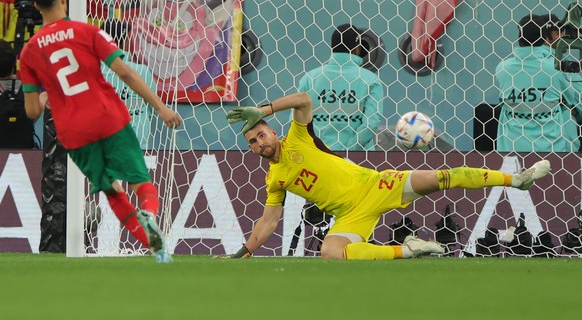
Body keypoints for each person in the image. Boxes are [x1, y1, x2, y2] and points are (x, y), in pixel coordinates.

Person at [225, 91, 551, 260]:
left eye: (262, 134)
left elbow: (304, 100)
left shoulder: (297, 136)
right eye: (252, 142)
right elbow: (268, 222)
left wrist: (263, 109)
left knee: (440, 177)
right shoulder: (275, 180)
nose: (259, 142)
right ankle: (408, 250)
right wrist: (244, 253)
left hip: (375, 184)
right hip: (350, 215)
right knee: (330, 252)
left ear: (272, 132)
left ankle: (516, 180)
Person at [19, 0, 181, 262]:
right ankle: (150, 215)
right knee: (138, 180)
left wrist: (46, 97)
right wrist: (161, 108)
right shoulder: (87, 32)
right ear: (63, 0)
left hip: (72, 131)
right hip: (107, 117)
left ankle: (158, 252)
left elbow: (32, 111)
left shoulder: (29, 52)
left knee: (111, 189)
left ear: (36, 7)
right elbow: (125, 73)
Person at [495, 13, 582, 152]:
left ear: (519, 37)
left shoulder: (502, 69)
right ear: (544, 38)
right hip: (554, 152)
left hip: (510, 150)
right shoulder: (557, 68)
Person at [297, 23, 383, 151]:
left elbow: (296, 123)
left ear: (332, 48)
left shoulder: (309, 79)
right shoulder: (371, 81)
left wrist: (317, 151)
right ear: (358, 49)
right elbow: (370, 124)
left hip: (317, 159)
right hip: (358, 162)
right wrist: (348, 151)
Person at [100, 19, 156, 150]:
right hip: (137, 139)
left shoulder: (92, 72)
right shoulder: (142, 71)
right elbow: (152, 107)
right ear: (123, 40)